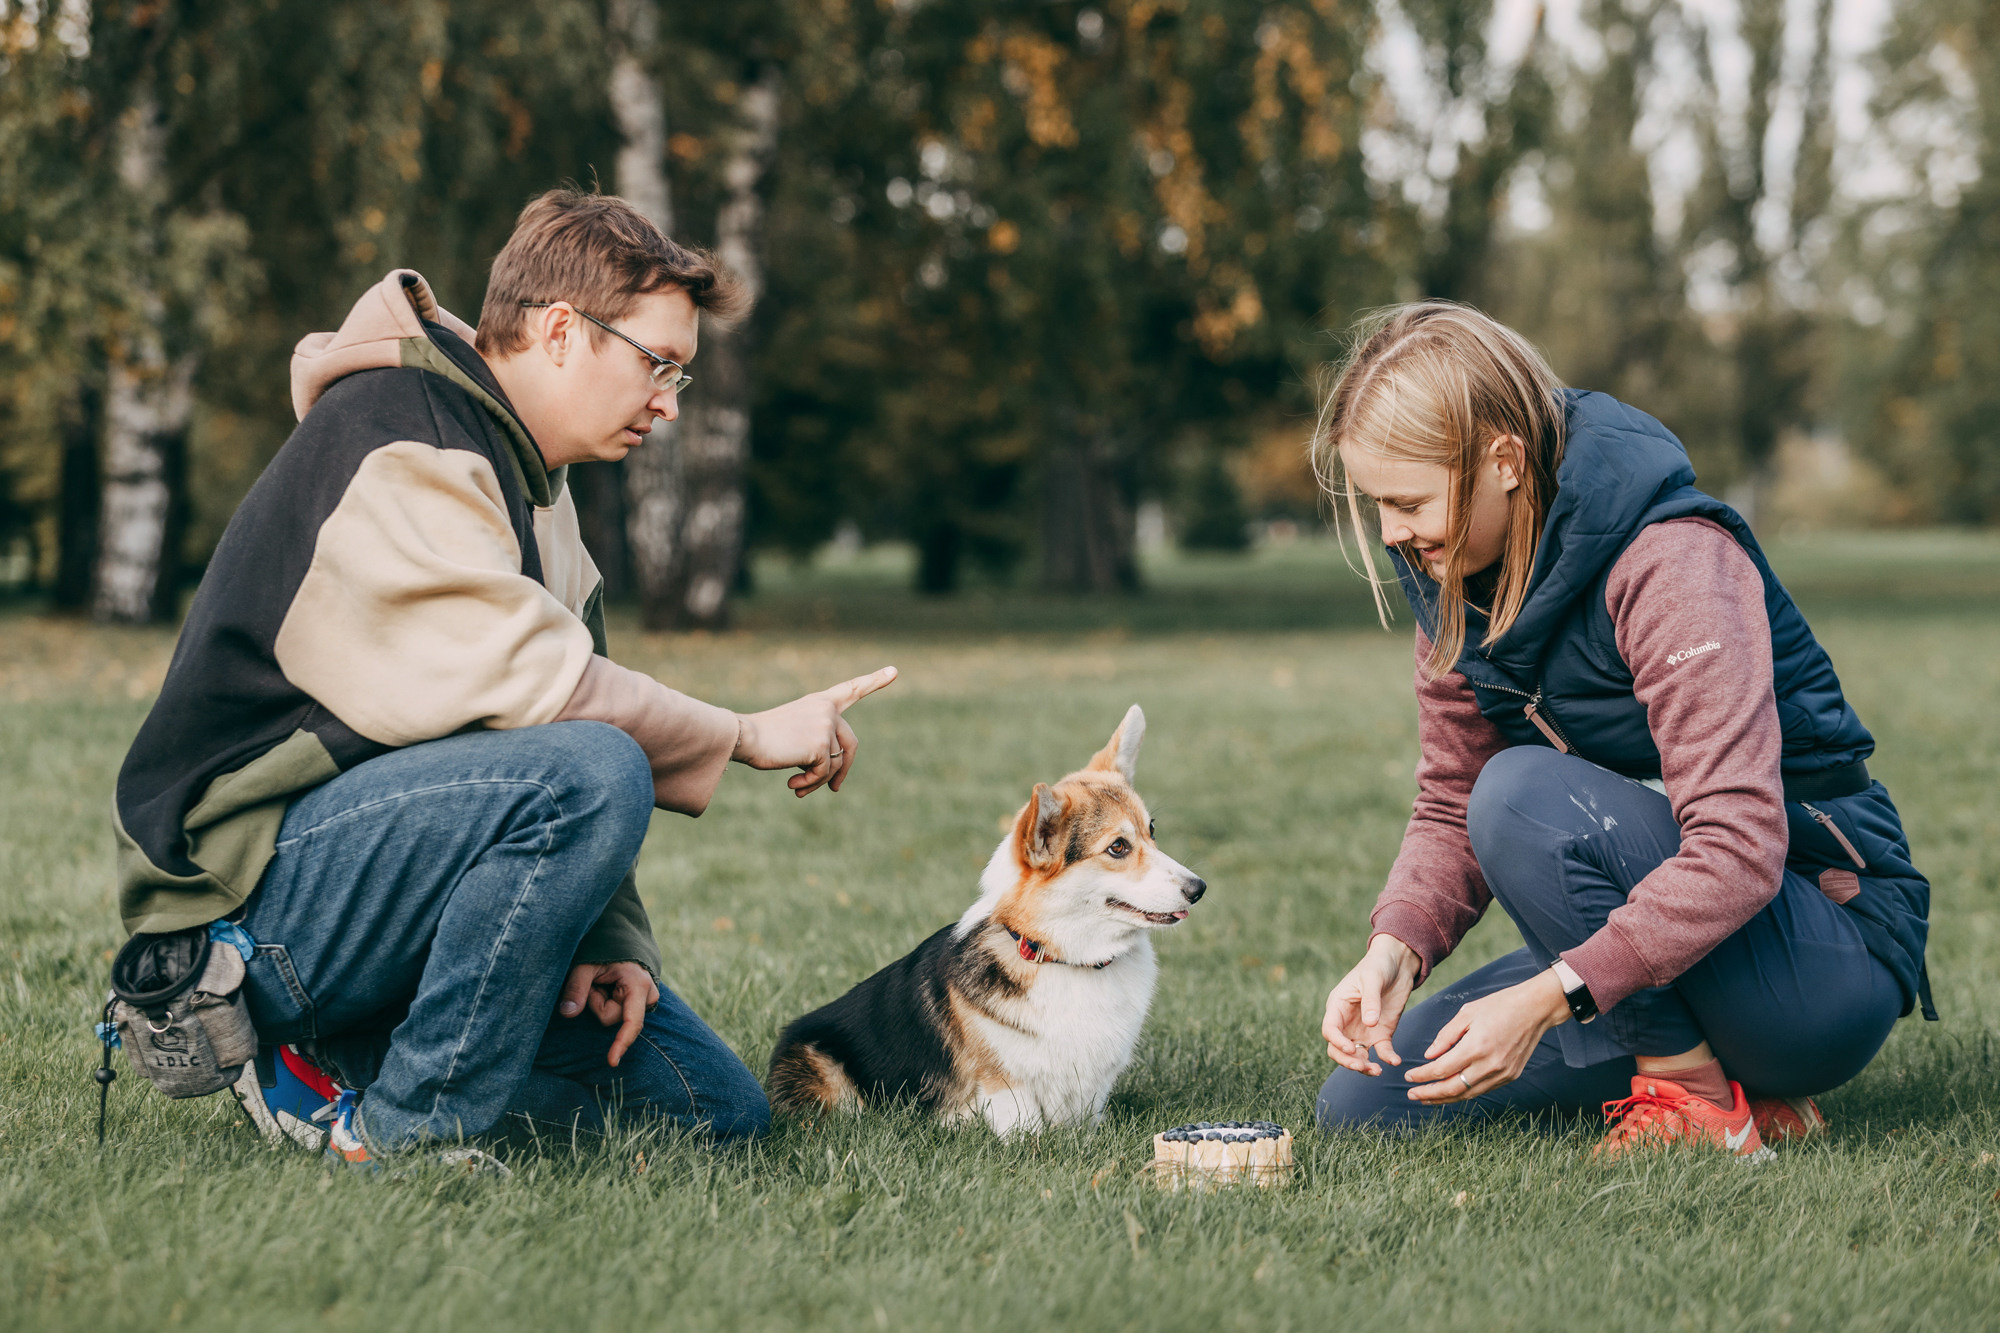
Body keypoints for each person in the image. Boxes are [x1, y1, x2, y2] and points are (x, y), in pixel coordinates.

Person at [112, 189, 895, 1165]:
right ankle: (402, 1133)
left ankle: (344, 1075)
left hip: (384, 889)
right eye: (658, 364)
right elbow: (556, 705)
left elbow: (528, 736)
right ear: (563, 331)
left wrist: (611, 941)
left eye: (682, 376)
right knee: (595, 766)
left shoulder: (539, 489)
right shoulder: (399, 440)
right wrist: (743, 733)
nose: (668, 402)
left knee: (709, 1108)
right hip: (248, 913)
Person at [1311, 302, 1934, 1158]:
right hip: (1665, 952)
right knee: (1367, 1099)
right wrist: (1396, 949)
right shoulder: (1452, 582)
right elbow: (1450, 802)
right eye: (1375, 503)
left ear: (1503, 460)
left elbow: (1740, 843)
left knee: (1522, 794)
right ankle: (1739, 1088)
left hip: (1820, 960)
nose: (1390, 532)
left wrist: (1546, 999)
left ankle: (1693, 1094)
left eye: (1408, 500)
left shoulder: (1672, 560)